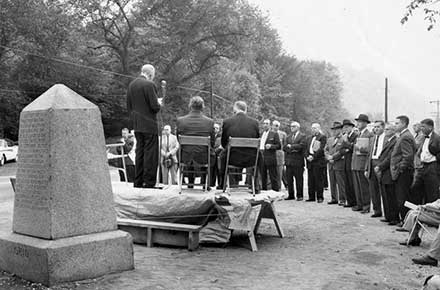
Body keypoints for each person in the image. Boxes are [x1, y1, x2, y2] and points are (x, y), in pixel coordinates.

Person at [126, 64, 162, 188]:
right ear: (151, 74)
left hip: (137, 125)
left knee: (139, 152)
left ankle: (138, 181)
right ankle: (149, 182)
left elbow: (129, 106)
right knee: (150, 154)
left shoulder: (131, 85)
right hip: (149, 124)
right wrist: (159, 103)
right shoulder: (149, 85)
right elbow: (154, 107)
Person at [176, 96, 215, 189]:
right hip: (203, 156)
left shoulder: (181, 121)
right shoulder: (209, 122)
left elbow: (179, 139)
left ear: (190, 106)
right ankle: (205, 182)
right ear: (203, 107)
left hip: (185, 156)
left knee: (187, 150)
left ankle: (190, 182)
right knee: (210, 153)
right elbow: (212, 142)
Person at [220, 101, 260, 190]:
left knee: (222, 156)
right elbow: (257, 141)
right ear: (246, 109)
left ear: (235, 108)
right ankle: (256, 186)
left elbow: (223, 143)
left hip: (231, 159)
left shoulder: (227, 122)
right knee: (260, 155)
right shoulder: (255, 123)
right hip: (250, 159)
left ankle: (222, 184)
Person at [391, 115, 416, 224]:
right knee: (401, 197)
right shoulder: (403, 135)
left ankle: (406, 222)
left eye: (397, 123)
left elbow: (408, 156)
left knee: (403, 197)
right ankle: (404, 221)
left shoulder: (405, 136)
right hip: (402, 171)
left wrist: (400, 168)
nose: (394, 125)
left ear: (404, 124)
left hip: (404, 172)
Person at [374, 123, 399, 225]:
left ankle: (394, 218)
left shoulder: (395, 141)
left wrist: (380, 166)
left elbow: (390, 158)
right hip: (385, 171)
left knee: (391, 195)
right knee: (385, 195)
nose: (386, 131)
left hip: (389, 171)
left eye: (388, 129)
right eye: (386, 129)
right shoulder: (389, 140)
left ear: (393, 130)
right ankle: (388, 216)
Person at [411, 118, 440, 205]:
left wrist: (435, 160)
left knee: (432, 192)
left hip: (432, 167)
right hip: (422, 167)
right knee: (416, 189)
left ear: (430, 127)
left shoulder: (437, 138)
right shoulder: (423, 137)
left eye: (423, 126)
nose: (421, 128)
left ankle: (431, 215)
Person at [351, 114, 374, 213]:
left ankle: (366, 205)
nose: (358, 124)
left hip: (362, 163)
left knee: (364, 186)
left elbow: (370, 149)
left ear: (365, 123)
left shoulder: (369, 135)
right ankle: (360, 204)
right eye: (357, 122)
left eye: (360, 122)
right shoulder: (358, 134)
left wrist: (359, 148)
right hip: (356, 163)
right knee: (357, 186)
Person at [365, 120, 386, 218]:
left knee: (383, 189)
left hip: (381, 163)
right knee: (373, 188)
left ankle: (387, 212)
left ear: (383, 127)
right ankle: (377, 210)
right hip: (372, 162)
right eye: (375, 127)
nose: (376, 129)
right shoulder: (373, 139)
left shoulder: (386, 138)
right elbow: (369, 154)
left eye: (378, 127)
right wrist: (367, 168)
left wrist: (381, 165)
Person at [283, 121, 307, 200]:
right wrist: (292, 148)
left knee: (299, 179)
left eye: (293, 126)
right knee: (289, 180)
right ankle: (291, 195)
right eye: (291, 126)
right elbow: (285, 147)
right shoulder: (288, 137)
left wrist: (291, 147)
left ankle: (299, 195)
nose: (291, 128)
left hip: (298, 162)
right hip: (289, 161)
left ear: (298, 127)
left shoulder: (302, 136)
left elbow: (301, 146)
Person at [305, 123, 327, 203]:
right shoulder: (309, 138)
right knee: (310, 180)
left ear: (319, 128)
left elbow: (321, 149)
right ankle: (311, 197)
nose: (313, 130)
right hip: (310, 161)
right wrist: (307, 156)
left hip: (318, 161)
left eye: (314, 128)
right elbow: (306, 149)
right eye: (312, 128)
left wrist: (313, 157)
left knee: (319, 179)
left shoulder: (322, 137)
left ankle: (320, 197)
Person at [325, 122, 346, 205]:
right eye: (333, 129)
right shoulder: (330, 139)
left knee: (340, 182)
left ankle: (342, 199)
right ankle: (334, 198)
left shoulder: (343, 139)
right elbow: (325, 149)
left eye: (336, 129)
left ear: (340, 130)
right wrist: (328, 157)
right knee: (332, 181)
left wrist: (333, 157)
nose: (334, 131)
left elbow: (342, 151)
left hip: (339, 162)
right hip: (330, 163)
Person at [259, 119, 281, 191]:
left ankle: (276, 190)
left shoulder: (274, 134)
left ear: (270, 125)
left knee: (273, 176)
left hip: (270, 157)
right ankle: (264, 190)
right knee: (263, 175)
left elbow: (279, 146)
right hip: (262, 156)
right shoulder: (261, 134)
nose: (265, 125)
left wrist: (271, 146)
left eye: (267, 123)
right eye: (264, 123)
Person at [341, 119, 358, 208]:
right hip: (345, 161)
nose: (345, 129)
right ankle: (349, 201)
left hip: (352, 161)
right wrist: (347, 147)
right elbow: (342, 149)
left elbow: (353, 148)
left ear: (351, 127)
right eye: (344, 127)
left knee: (352, 182)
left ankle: (355, 201)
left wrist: (347, 143)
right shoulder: (344, 136)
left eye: (347, 127)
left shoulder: (355, 136)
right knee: (347, 182)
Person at [273, 120, 287, 190]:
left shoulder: (283, 134)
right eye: (274, 125)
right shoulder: (270, 133)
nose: (275, 127)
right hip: (271, 155)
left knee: (280, 172)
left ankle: (279, 187)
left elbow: (284, 146)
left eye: (277, 126)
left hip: (279, 155)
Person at [210, 123, 223, 189]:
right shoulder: (210, 136)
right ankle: (211, 183)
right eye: (214, 128)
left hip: (218, 154)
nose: (215, 129)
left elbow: (220, 146)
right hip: (212, 154)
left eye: (217, 128)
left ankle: (220, 184)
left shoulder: (220, 137)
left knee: (218, 169)